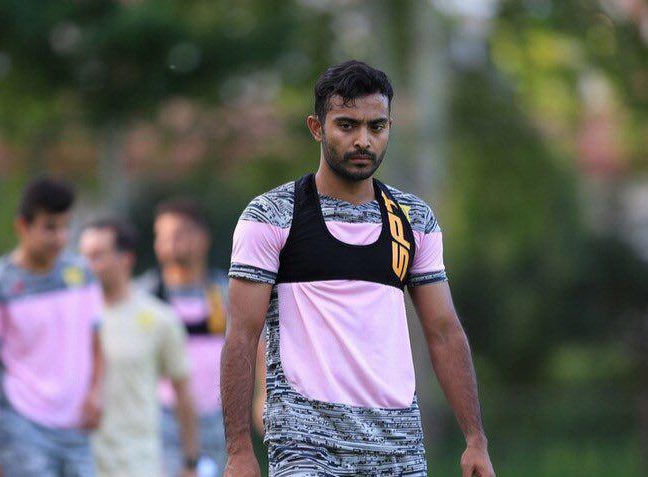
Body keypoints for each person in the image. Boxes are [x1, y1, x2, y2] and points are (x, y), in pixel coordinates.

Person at [222, 60, 496, 477]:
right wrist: (239, 449)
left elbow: (444, 332)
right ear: (317, 127)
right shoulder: (272, 215)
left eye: (376, 127)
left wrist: (476, 439)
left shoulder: (413, 219)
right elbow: (242, 334)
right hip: (305, 446)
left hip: (398, 447)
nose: (363, 140)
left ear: (389, 128)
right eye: (347, 125)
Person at [0, 176, 104, 477]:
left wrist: (96, 392)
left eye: (65, 227)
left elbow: (96, 344)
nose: (60, 237)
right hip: (22, 428)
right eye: (49, 227)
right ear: (23, 226)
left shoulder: (81, 275)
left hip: (76, 430)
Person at [79, 218, 200, 477]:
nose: (87, 265)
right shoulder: (70, 318)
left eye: (97, 256)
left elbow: (183, 393)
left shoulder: (159, 319)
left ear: (126, 259)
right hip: (78, 461)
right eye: (84, 256)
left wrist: (190, 462)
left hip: (135, 463)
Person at [139, 199, 229, 475]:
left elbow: (257, 344)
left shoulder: (224, 292)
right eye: (162, 236)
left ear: (202, 238)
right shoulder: (145, 295)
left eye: (178, 234)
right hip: (161, 420)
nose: (169, 243)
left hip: (218, 420)